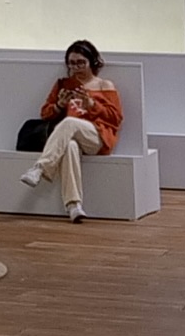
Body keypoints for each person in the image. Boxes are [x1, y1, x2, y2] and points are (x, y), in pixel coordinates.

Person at [20, 39, 126, 216]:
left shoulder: (104, 85)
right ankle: (73, 205)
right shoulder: (63, 84)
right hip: (70, 136)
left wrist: (91, 104)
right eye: (72, 63)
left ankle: (41, 168)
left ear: (91, 62)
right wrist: (59, 106)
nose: (76, 67)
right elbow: (45, 114)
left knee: (69, 123)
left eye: (81, 63)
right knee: (70, 146)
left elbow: (115, 118)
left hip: (98, 136)